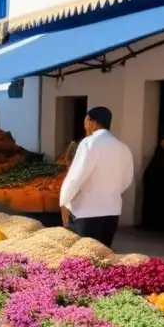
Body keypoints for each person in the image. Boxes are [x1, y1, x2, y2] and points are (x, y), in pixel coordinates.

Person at [60, 106, 134, 247]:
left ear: (89, 121)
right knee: (103, 255)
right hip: (112, 210)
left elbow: (76, 176)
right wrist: (110, 193)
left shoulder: (89, 143)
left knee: (84, 258)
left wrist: (64, 200)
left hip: (86, 211)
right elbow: (126, 179)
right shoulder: (122, 147)